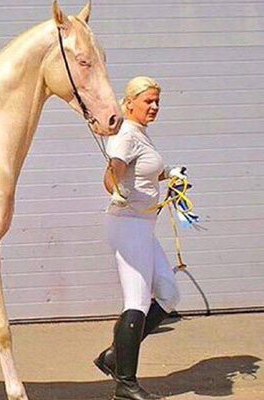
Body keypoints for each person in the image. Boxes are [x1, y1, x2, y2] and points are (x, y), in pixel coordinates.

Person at [94, 76, 183, 400]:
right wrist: (116, 190)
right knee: (138, 300)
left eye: (157, 101)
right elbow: (112, 171)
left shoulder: (141, 136)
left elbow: (145, 170)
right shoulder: (126, 135)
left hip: (143, 225)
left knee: (170, 294)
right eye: (148, 101)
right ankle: (125, 384)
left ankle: (114, 356)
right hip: (127, 224)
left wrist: (170, 174)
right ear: (129, 102)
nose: (155, 107)